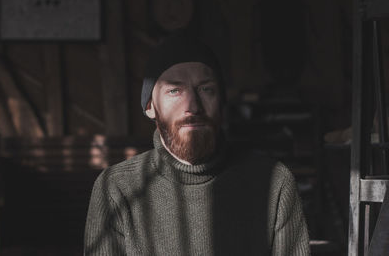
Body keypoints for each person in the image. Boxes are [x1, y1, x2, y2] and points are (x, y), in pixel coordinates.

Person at [84, 32, 310, 255]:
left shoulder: (274, 182)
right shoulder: (116, 188)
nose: (193, 106)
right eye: (175, 90)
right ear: (150, 106)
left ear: (221, 100)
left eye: (206, 89)